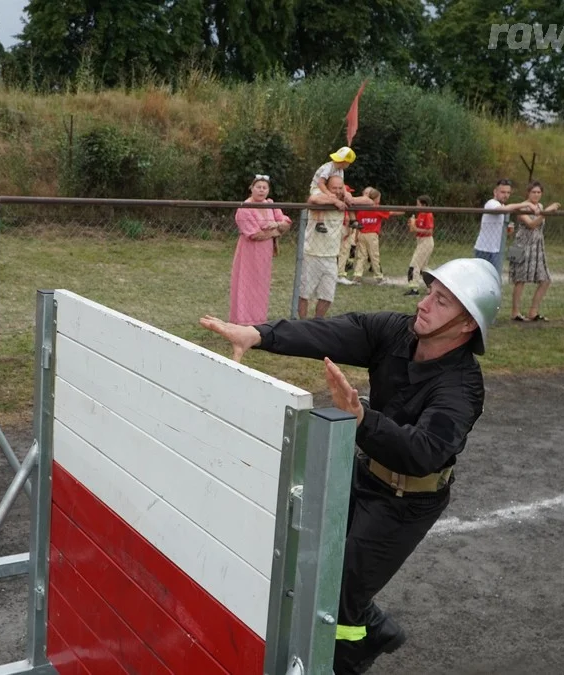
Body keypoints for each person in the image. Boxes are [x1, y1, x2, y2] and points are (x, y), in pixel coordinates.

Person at [198, 257, 502, 675]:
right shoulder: (397, 332)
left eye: (442, 302)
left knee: (337, 600)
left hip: (406, 502)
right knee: (315, 563)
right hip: (363, 474)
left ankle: (347, 659)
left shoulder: (462, 387)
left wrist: (362, 419)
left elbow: (425, 451)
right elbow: (336, 331)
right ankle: (374, 626)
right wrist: (258, 334)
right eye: (429, 293)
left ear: (468, 325)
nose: (425, 305)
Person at [230, 175, 293, 325]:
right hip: (249, 252)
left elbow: (286, 222)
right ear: (251, 188)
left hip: (265, 253)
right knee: (246, 283)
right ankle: (243, 320)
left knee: (261, 285)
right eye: (258, 187)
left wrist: (277, 225)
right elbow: (254, 234)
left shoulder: (270, 204)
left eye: (265, 188)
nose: (261, 190)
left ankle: (258, 320)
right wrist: (276, 231)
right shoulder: (245, 208)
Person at [299, 175, 352, 318]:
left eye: (340, 188)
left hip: (331, 256)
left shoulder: (344, 201)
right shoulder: (320, 200)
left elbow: (369, 201)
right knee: (304, 293)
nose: (337, 191)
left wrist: (349, 197)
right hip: (312, 254)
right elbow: (313, 199)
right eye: (334, 188)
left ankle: (318, 323)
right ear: (327, 188)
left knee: (327, 296)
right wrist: (335, 200)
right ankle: (301, 324)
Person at [509, 181, 559, 322]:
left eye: (539, 192)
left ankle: (533, 312)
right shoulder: (522, 206)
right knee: (520, 280)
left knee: (545, 280)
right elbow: (531, 224)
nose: (536, 195)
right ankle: (515, 313)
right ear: (528, 193)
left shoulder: (540, 206)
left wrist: (544, 211)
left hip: (537, 246)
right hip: (520, 246)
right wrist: (546, 213)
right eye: (533, 192)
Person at [473, 179, 540, 272]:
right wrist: (527, 204)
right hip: (484, 249)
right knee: (483, 277)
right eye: (503, 192)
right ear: (495, 192)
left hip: (497, 249)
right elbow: (502, 210)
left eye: (508, 192)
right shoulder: (491, 203)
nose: (506, 195)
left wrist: (507, 231)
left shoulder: (504, 206)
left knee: (495, 278)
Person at [349, 189, 402, 285]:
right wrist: (401, 211)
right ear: (376, 199)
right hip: (372, 235)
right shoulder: (377, 208)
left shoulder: (361, 209)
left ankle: (357, 276)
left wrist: (356, 236)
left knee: (361, 256)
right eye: (379, 198)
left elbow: (357, 220)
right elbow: (390, 213)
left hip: (361, 233)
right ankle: (379, 277)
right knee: (374, 256)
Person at [404, 196, 435, 296]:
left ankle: (414, 289)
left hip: (426, 241)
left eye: (418, 204)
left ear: (424, 205)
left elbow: (429, 230)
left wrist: (416, 229)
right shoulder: (421, 214)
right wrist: (412, 223)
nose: (416, 206)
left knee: (415, 265)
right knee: (423, 267)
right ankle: (432, 286)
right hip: (420, 241)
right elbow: (415, 227)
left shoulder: (428, 214)